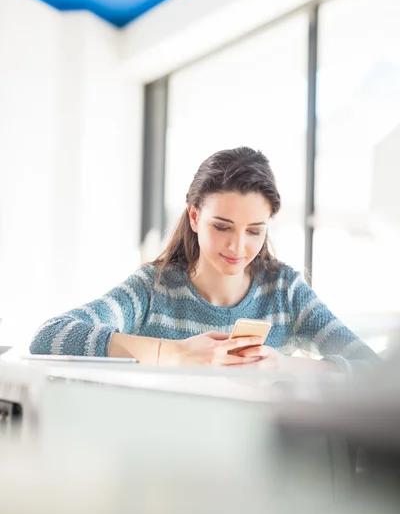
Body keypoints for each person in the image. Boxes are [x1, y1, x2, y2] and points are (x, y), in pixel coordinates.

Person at [30, 147, 378, 373]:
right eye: (222, 226)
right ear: (195, 217)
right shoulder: (153, 288)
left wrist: (283, 366)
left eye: (254, 231)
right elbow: (49, 337)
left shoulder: (285, 291)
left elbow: (373, 371)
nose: (238, 247)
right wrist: (177, 353)